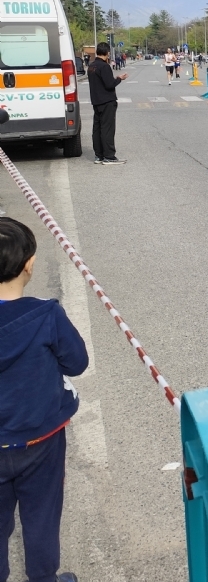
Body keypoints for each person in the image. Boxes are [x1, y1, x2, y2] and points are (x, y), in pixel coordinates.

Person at [0, 216, 88, 582]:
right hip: (41, 438)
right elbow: (77, 362)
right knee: (41, 519)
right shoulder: (45, 314)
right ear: (29, 265)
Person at [87, 42, 128, 166]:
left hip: (96, 101)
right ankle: (109, 156)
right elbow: (109, 84)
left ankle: (98, 155)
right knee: (107, 129)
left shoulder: (91, 66)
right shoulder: (104, 67)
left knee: (97, 128)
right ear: (107, 53)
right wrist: (119, 78)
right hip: (107, 101)